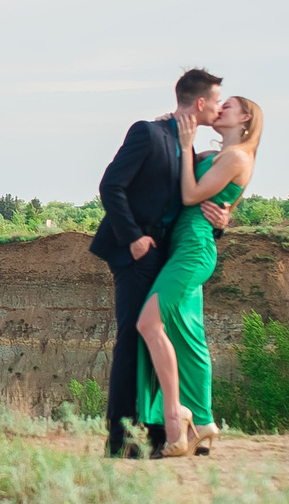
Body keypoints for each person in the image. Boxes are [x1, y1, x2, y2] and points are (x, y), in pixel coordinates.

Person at [88, 69, 231, 457]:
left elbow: (191, 207)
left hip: (171, 258)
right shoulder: (148, 133)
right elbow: (110, 185)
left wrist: (219, 223)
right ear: (200, 103)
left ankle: (165, 435)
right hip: (136, 254)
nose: (220, 108)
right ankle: (121, 439)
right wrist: (133, 238)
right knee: (133, 341)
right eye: (217, 101)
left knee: (173, 340)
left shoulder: (193, 152)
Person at [135, 94, 263, 456]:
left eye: (230, 106)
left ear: (245, 120)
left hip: (193, 251)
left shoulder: (238, 157)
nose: (221, 109)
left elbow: (191, 195)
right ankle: (202, 421)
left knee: (149, 323)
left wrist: (189, 143)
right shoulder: (214, 157)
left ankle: (178, 418)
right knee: (188, 337)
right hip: (182, 247)